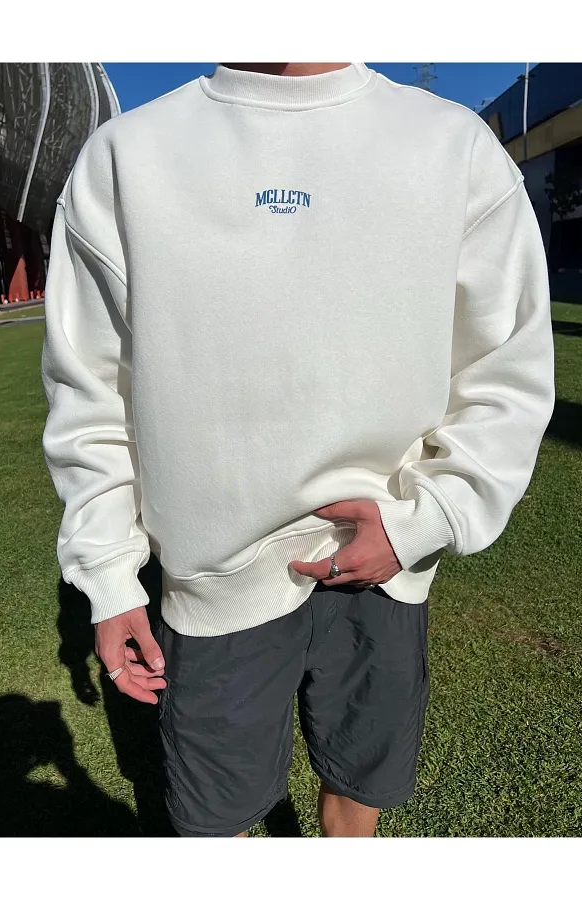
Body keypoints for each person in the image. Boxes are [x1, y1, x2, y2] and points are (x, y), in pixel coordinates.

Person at [40, 61, 555, 837]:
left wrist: (428, 519)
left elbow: (505, 365)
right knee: (216, 822)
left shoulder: (451, 146)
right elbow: (91, 389)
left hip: (386, 559)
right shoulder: (128, 156)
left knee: (357, 791)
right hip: (211, 576)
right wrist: (111, 579)